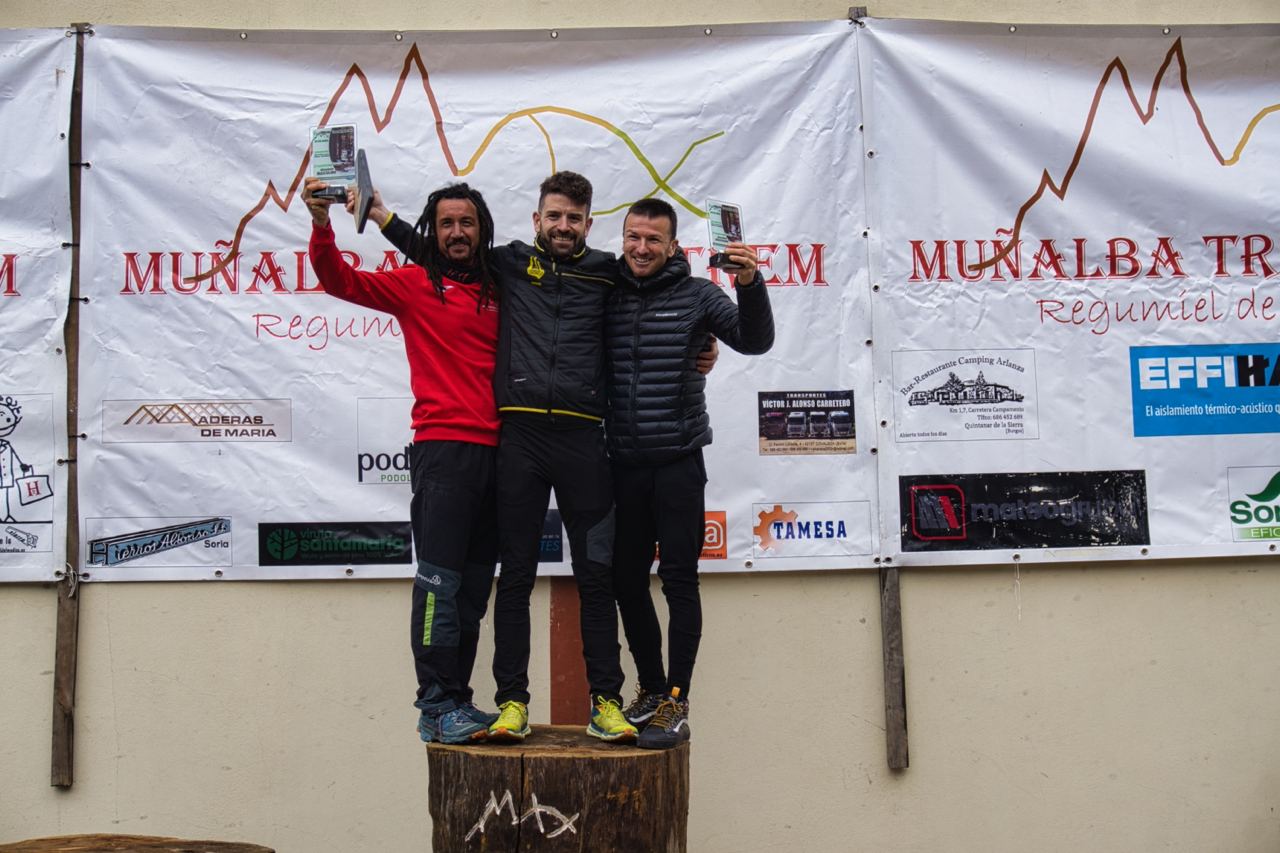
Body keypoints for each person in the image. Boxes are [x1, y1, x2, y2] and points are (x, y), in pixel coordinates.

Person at [374, 172, 637, 742]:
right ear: (537, 220)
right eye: (554, 216)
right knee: (512, 578)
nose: (563, 226)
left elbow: (655, 287)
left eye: (574, 218)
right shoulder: (506, 265)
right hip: (518, 443)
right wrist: (385, 218)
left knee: (597, 576)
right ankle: (511, 702)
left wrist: (701, 342)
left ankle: (607, 702)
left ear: (589, 224)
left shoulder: (607, 273)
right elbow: (439, 252)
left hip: (584, 444)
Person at [301, 177, 502, 745]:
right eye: (445, 224)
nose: (457, 233)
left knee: (472, 592)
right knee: (439, 585)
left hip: (502, 457)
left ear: (481, 229)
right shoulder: (415, 284)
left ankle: (458, 698)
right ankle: (434, 704)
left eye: (466, 223)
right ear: (431, 233)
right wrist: (322, 227)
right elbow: (338, 280)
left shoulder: (503, 288)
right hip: (444, 452)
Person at [605, 198, 774, 749]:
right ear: (622, 238)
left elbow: (754, 340)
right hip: (621, 464)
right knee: (626, 582)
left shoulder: (700, 295)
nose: (642, 248)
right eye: (634, 237)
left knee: (678, 580)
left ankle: (676, 701)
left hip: (678, 460)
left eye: (654, 239)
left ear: (674, 246)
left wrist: (748, 281)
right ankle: (650, 690)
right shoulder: (603, 289)